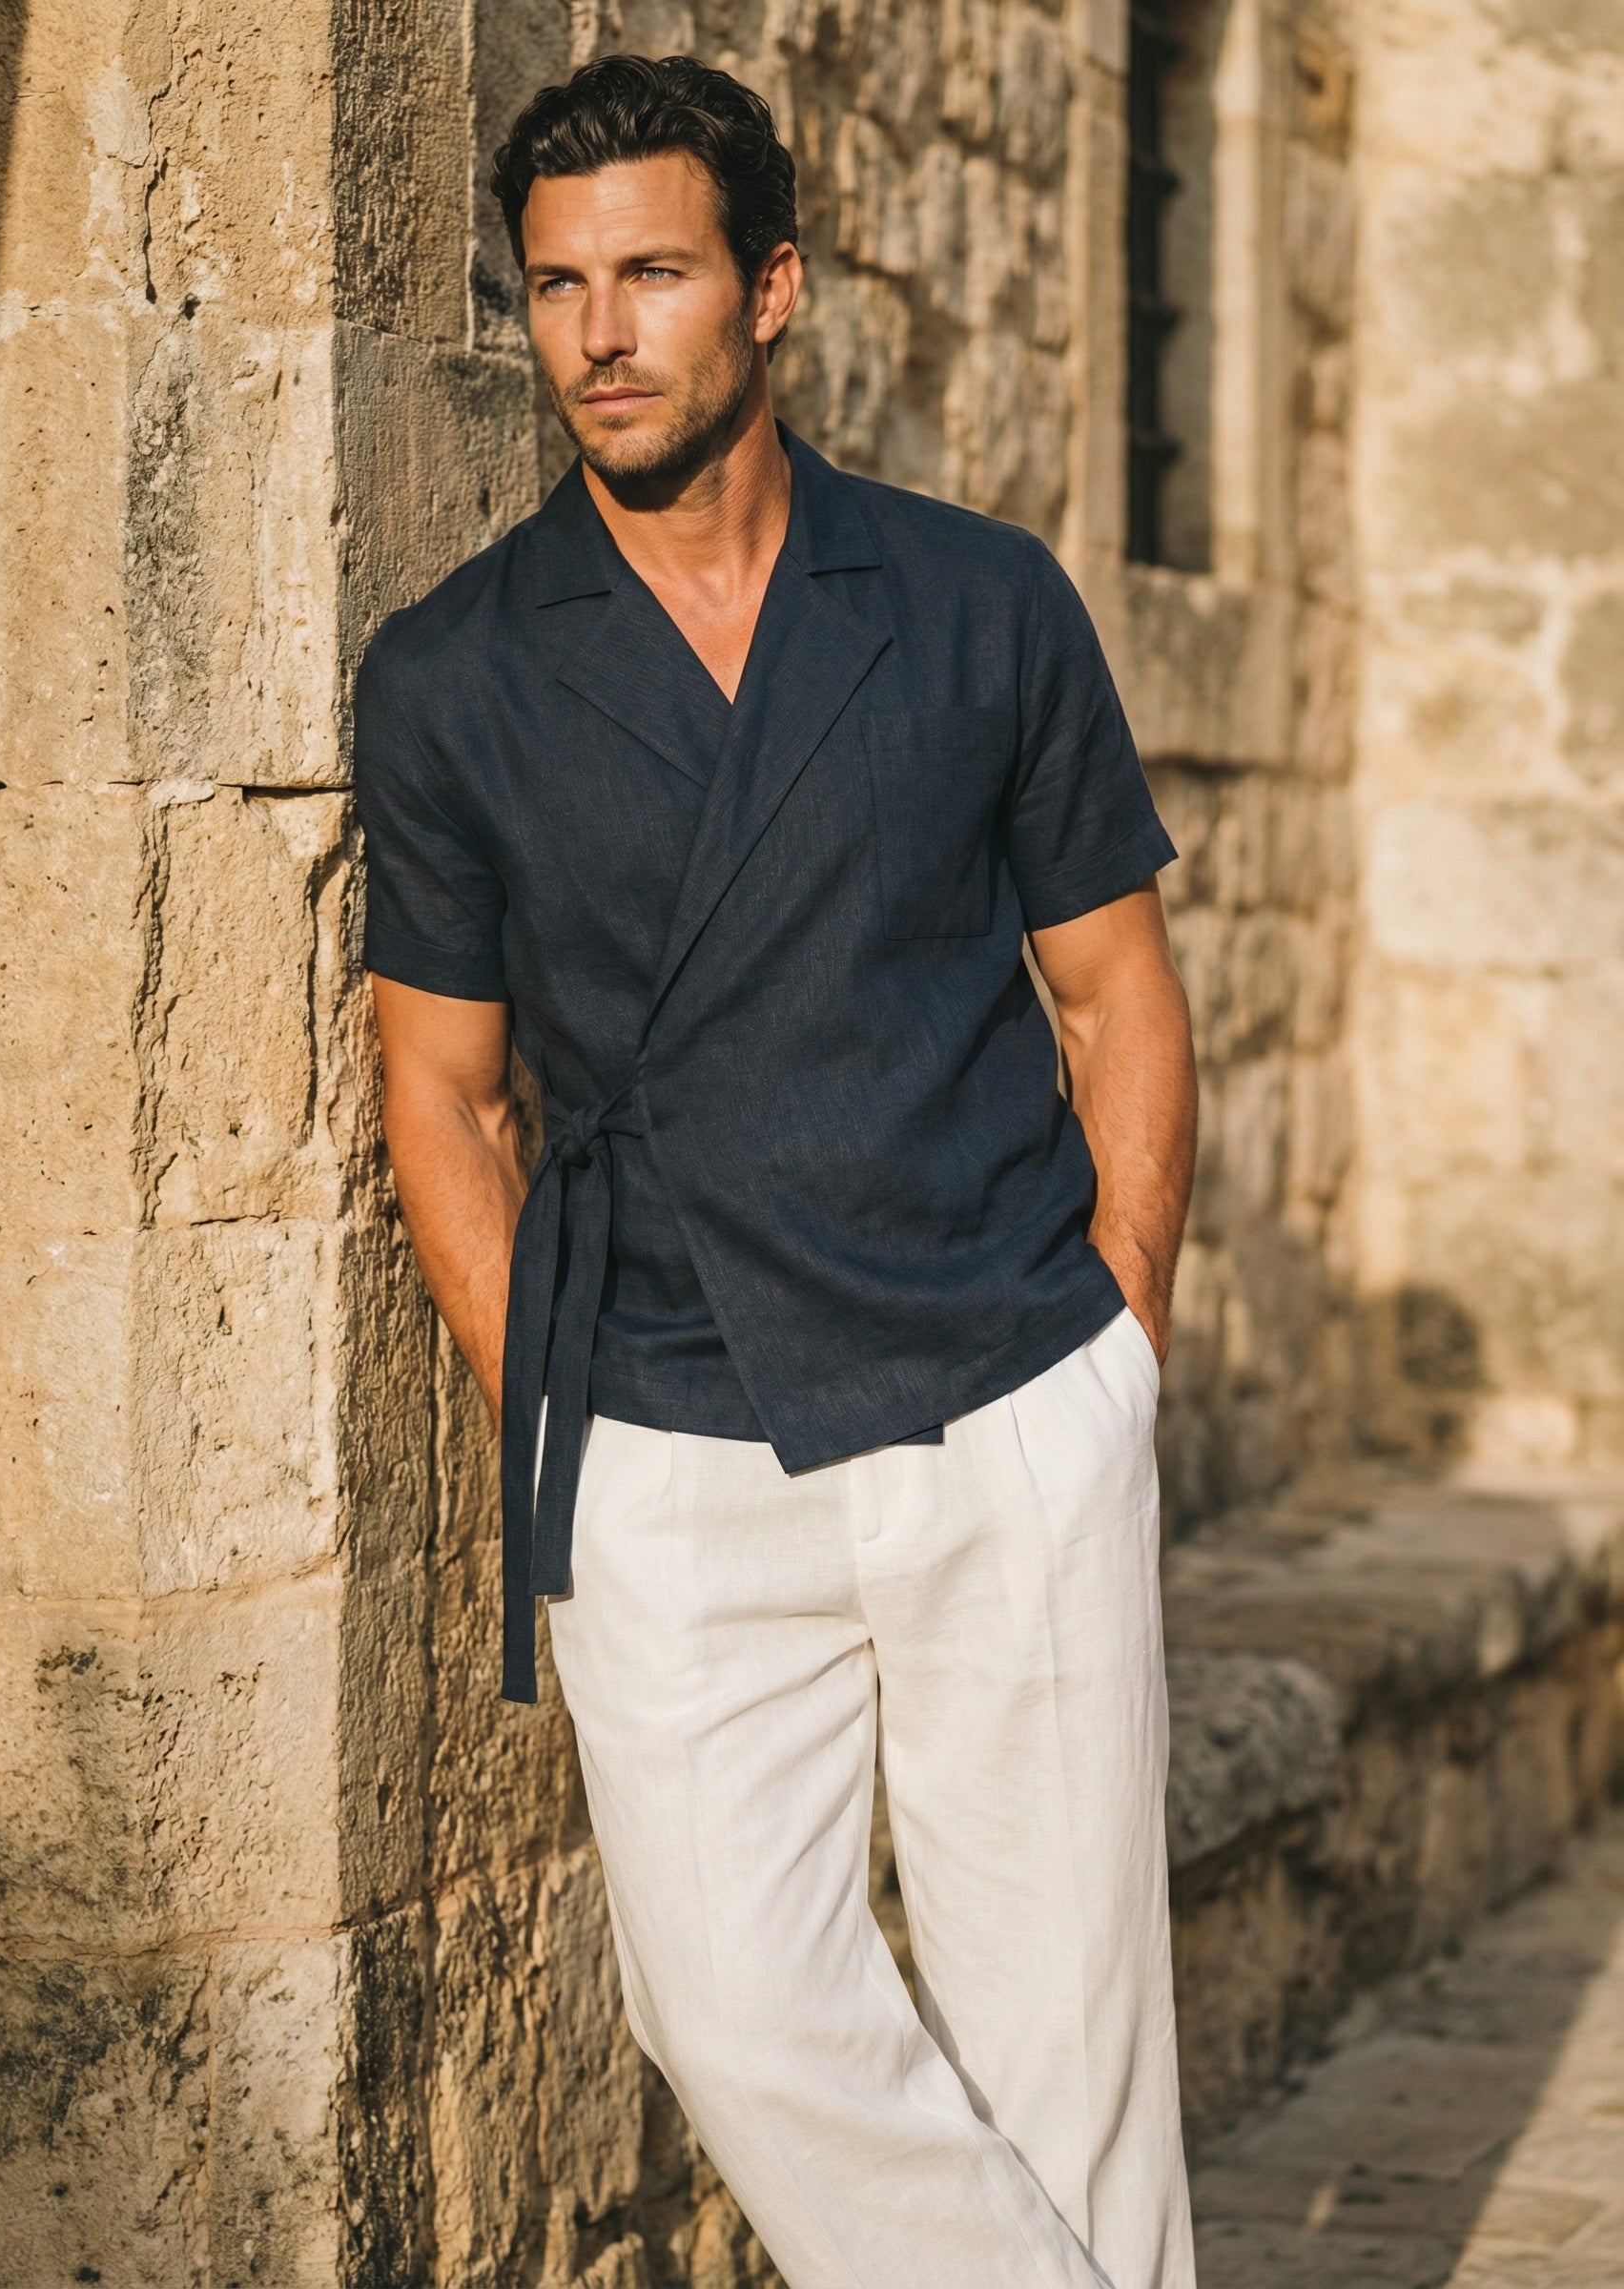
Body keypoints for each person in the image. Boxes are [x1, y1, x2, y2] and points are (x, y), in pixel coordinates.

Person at [355, 51, 1199, 2289]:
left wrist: (1112, 1332)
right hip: (663, 1419)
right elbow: (436, 1092)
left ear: (774, 289)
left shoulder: (975, 602)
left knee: (1066, 2044)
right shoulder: (451, 675)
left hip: (1003, 1380)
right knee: (727, 2011)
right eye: (554, 287)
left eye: (649, 272)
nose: (598, 334)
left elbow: (1117, 998)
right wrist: (557, 1402)